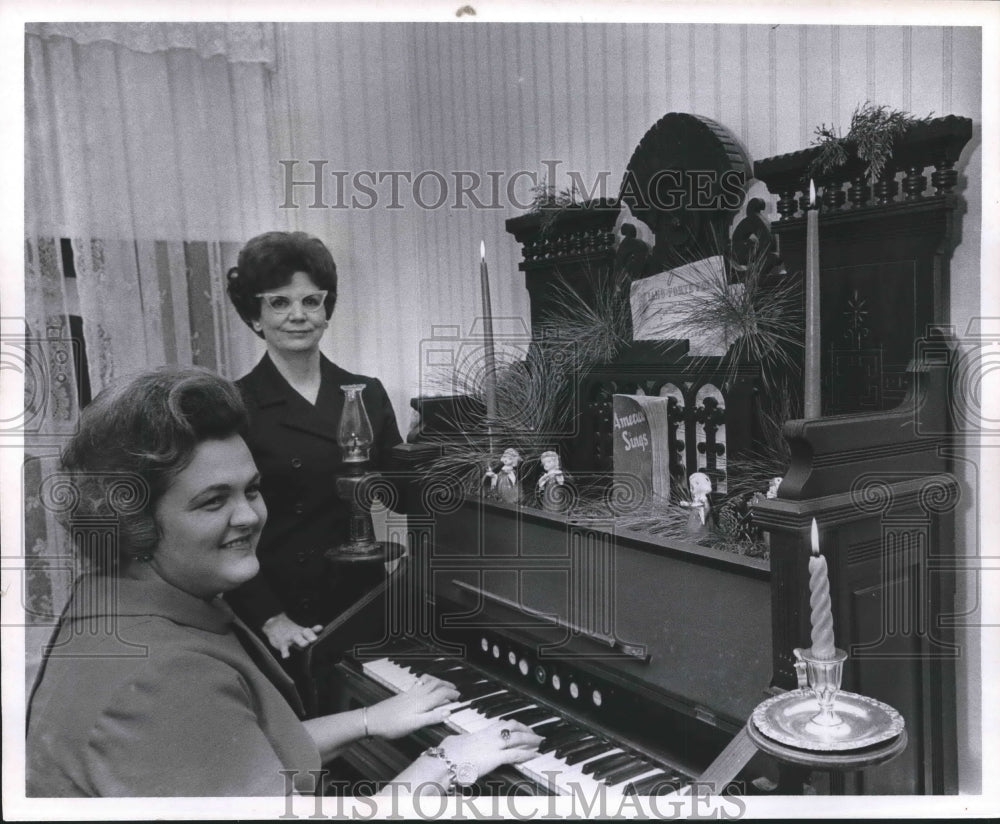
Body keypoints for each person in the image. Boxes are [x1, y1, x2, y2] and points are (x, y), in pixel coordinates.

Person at [26, 368, 541, 797]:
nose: (248, 516)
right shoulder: (160, 678)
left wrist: (369, 720)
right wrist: (447, 762)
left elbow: (231, 751)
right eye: (213, 501)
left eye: (252, 490)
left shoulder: (118, 606)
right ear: (134, 518)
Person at [224, 231, 403, 659]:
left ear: (327, 311)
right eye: (279, 302)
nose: (298, 315)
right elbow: (225, 529)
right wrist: (269, 617)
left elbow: (400, 493)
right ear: (255, 316)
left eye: (311, 301)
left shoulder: (367, 393)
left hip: (364, 599)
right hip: (284, 614)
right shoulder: (234, 406)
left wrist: (433, 451)